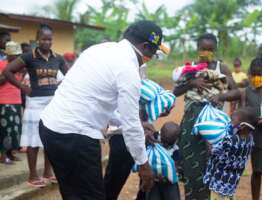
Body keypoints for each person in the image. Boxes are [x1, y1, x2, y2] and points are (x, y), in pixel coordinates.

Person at [38, 20, 169, 200]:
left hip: (50, 127)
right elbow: (130, 124)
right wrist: (144, 164)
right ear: (145, 47)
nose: (152, 57)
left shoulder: (99, 50)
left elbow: (99, 102)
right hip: (76, 137)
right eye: (154, 53)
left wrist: (138, 124)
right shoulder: (128, 71)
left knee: (72, 192)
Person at [212, 58, 262, 200]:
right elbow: (237, 104)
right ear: (250, 74)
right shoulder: (246, 93)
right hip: (258, 138)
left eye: (260, 74)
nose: (257, 78)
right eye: (255, 74)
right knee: (257, 172)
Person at [173, 33, 238, 200]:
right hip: (190, 121)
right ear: (198, 49)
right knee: (190, 165)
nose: (206, 52)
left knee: (211, 165)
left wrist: (220, 97)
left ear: (215, 49)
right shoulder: (190, 68)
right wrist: (191, 83)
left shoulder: (221, 69)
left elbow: (236, 92)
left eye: (210, 49)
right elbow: (175, 92)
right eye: (203, 49)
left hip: (212, 124)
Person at [4, 24, 68, 187]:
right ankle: (33, 176)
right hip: (35, 104)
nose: (47, 42)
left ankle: (48, 172)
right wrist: (23, 87)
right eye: (44, 39)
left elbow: (70, 76)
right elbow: (7, 71)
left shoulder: (58, 58)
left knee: (50, 139)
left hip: (53, 104)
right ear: (37, 40)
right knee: (33, 140)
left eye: (50, 39)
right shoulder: (28, 57)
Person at [204, 108, 256, 200]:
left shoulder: (229, 140)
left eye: (232, 120)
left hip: (219, 181)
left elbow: (213, 152)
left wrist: (208, 140)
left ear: (242, 126)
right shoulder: (250, 139)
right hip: (232, 182)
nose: (229, 123)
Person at [145, 122, 181, 200]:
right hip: (158, 181)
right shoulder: (153, 138)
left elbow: (176, 167)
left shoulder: (175, 150)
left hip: (166, 182)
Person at [0, 41, 23, 164]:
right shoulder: (2, 64)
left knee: (15, 130)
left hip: (16, 101)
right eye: (15, 55)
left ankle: (10, 153)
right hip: (4, 101)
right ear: (8, 55)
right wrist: (9, 72)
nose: (18, 57)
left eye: (19, 54)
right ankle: (3, 155)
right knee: (5, 129)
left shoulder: (19, 66)